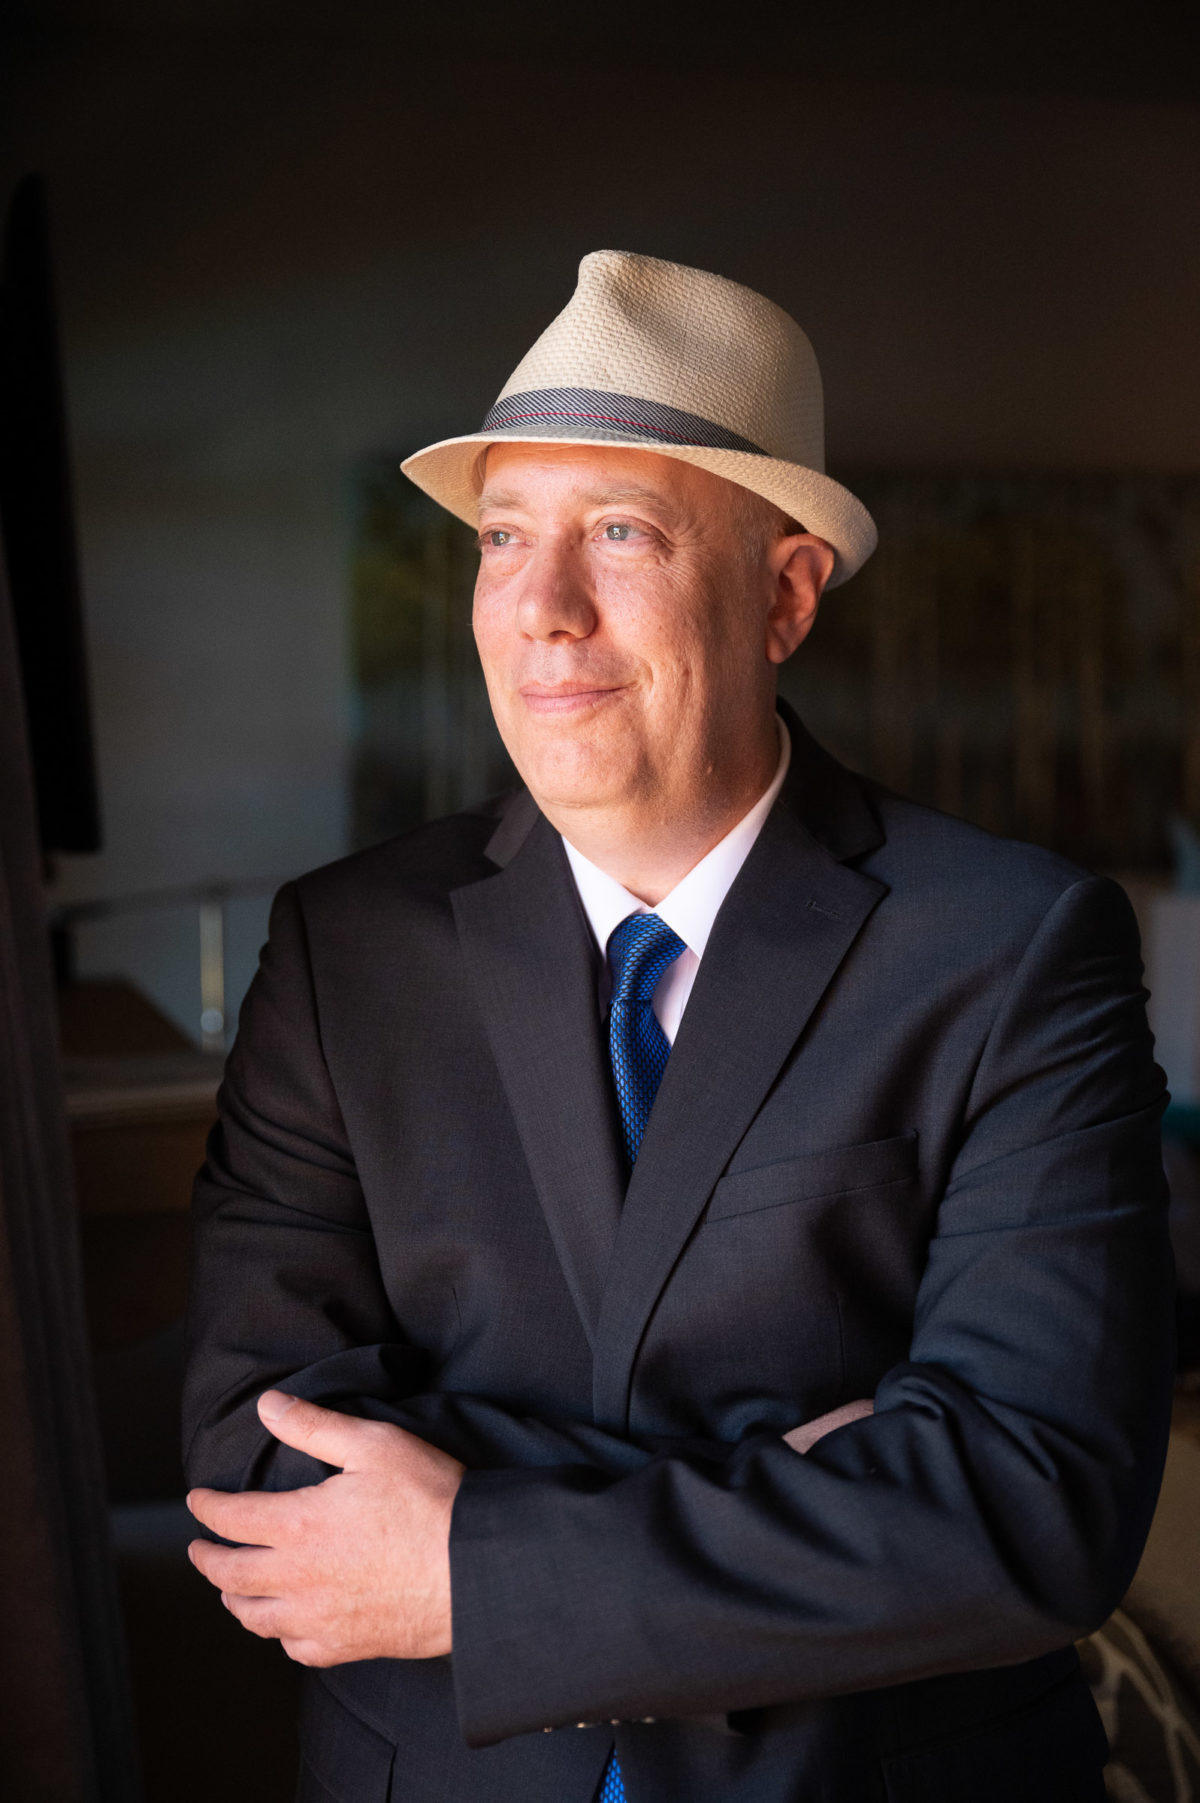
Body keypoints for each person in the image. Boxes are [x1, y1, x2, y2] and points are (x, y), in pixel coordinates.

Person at [183, 250, 1174, 1803]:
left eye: (622, 535)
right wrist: (800, 1481)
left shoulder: (1012, 947)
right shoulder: (342, 949)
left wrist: (474, 1563)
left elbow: (1028, 1503)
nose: (544, 610)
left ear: (784, 596)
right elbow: (257, 1463)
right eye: (506, 538)